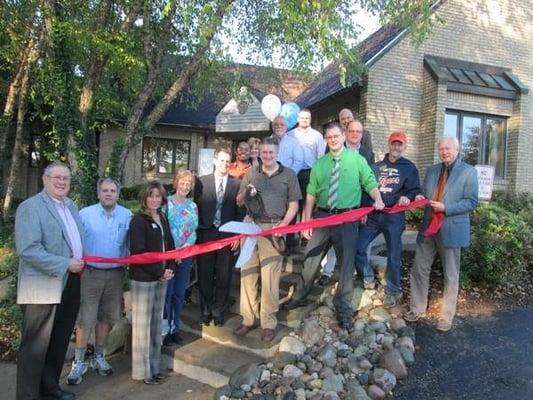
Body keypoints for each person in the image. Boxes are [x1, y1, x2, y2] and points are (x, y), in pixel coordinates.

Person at [284, 123, 384, 332]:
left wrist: (378, 198)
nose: (333, 140)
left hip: (347, 218)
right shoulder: (320, 164)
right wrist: (306, 220)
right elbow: (311, 193)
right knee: (311, 258)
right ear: (326, 139)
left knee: (346, 264)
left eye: (336, 136)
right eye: (329, 137)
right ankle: (301, 296)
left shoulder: (357, 160)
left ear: (344, 136)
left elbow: (369, 182)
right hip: (322, 217)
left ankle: (343, 306)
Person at [15, 161, 85, 400]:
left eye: (65, 178)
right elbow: (28, 249)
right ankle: (27, 395)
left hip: (71, 281)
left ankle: (50, 389)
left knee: (59, 340)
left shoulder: (72, 206)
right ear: (45, 180)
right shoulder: (31, 207)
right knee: (35, 346)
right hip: (43, 284)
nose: (61, 182)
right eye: (56, 177)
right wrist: (66, 263)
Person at [405, 136, 478, 332]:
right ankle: (417, 309)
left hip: (451, 227)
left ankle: (446, 317)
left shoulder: (469, 172)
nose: (444, 152)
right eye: (442, 149)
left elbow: (471, 201)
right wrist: (420, 196)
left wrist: (447, 207)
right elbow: (424, 193)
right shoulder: (432, 170)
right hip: (429, 227)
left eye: (448, 149)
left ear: (457, 150)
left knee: (451, 275)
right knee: (419, 269)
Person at [233, 137, 301, 342]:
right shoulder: (251, 173)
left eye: (271, 152)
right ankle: (248, 319)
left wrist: (284, 225)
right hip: (250, 225)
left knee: (270, 278)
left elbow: (294, 205)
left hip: (274, 228)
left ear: (277, 154)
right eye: (264, 152)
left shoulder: (288, 175)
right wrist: (247, 191)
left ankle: (268, 323)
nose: (268, 156)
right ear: (259, 153)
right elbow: (238, 202)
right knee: (248, 273)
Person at [67, 178, 132, 385]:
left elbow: (132, 244)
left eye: (112, 190)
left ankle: (99, 357)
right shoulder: (85, 214)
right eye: (105, 190)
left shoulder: (127, 215)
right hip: (90, 274)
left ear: (117, 194)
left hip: (114, 275)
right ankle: (78, 362)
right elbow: (73, 241)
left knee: (105, 318)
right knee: (86, 319)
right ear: (98, 193)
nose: (108, 194)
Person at [354, 132, 420, 306]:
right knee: (358, 247)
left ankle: (392, 289)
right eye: (394, 144)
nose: (396, 147)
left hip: (394, 217)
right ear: (389, 144)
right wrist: (363, 211)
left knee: (394, 255)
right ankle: (367, 277)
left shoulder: (409, 168)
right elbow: (366, 188)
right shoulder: (376, 167)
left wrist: (408, 197)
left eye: (400, 144)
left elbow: (414, 190)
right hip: (373, 216)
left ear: (404, 146)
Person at [129, 181, 175, 385]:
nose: (155, 199)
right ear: (144, 198)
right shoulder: (138, 220)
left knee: (156, 324)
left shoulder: (162, 217)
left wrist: (170, 268)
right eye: (151, 195)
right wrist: (159, 272)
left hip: (162, 277)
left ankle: (154, 367)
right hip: (144, 279)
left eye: (158, 196)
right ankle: (143, 371)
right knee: (142, 327)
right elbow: (138, 252)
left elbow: (170, 245)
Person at [194, 147, 241, 327]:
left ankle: (218, 310)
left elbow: (239, 211)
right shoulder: (201, 182)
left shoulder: (236, 184)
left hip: (227, 235)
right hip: (206, 233)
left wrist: (237, 234)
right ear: (215, 161)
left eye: (227, 161)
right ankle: (205, 309)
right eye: (221, 160)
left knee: (224, 275)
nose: (224, 164)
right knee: (205, 273)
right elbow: (195, 208)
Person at [162, 170, 198, 345]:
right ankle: (164, 330)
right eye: (182, 182)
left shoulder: (193, 206)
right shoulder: (166, 203)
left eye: (188, 184)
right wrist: (173, 251)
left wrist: (184, 249)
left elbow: (193, 231)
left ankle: (175, 328)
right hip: (168, 256)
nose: (185, 186)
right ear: (176, 183)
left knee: (178, 293)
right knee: (167, 294)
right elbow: (162, 228)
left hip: (185, 256)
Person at [289, 108, 326, 210]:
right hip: (293, 172)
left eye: (307, 118)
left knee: (308, 203)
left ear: (310, 119)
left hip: (310, 173)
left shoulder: (317, 136)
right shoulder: (290, 135)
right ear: (297, 119)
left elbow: (321, 157)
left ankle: (305, 224)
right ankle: (294, 225)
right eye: (302, 118)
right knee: (293, 201)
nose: (304, 120)